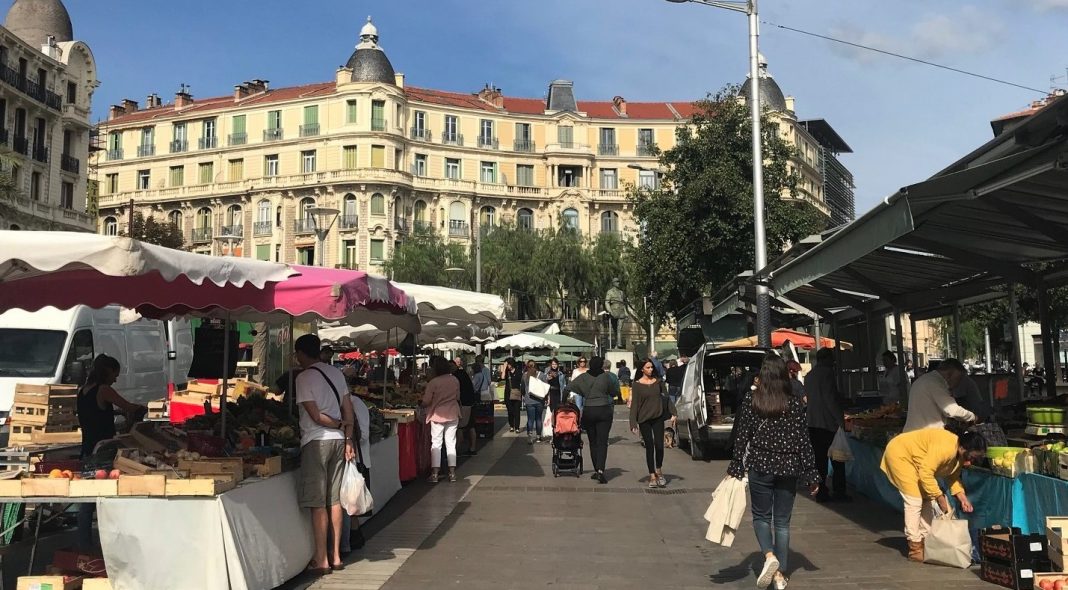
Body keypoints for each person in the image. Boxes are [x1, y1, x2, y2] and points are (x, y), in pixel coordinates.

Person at [728, 354, 820, 590]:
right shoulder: (794, 402)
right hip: (789, 467)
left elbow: (742, 434)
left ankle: (769, 556)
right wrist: (811, 473)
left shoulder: (752, 399)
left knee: (760, 516)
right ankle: (780, 575)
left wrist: (737, 463)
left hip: (761, 464)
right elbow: (803, 440)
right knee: (782, 522)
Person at [294, 334, 355, 575]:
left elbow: (315, 416)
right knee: (335, 499)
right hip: (339, 442)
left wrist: (339, 426)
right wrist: (347, 436)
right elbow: (348, 409)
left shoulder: (304, 377)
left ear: (300, 353)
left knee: (318, 503)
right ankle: (337, 555)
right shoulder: (336, 373)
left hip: (316, 441)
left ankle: (321, 559)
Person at [880, 429, 985, 562]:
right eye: (970, 457)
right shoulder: (946, 448)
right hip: (900, 455)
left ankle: (925, 540)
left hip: (918, 463)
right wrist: (939, 496)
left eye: (975, 460)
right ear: (963, 447)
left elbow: (953, 478)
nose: (970, 462)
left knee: (927, 499)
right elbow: (926, 473)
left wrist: (962, 498)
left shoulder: (959, 455)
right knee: (914, 500)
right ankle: (915, 547)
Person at [76, 354, 146, 552]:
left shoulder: (82, 391)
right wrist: (142, 409)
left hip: (88, 447)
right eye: (115, 374)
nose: (116, 378)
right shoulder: (104, 390)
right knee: (109, 496)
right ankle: (110, 545)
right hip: (104, 449)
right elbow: (128, 406)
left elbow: (95, 415)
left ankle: (84, 544)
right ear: (106, 371)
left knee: (87, 499)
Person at [804, 348, 848, 502]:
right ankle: (839, 491)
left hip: (813, 422)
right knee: (837, 458)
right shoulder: (827, 374)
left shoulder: (809, 376)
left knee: (819, 459)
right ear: (827, 359)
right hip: (827, 423)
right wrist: (840, 420)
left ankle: (821, 490)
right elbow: (830, 399)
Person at [567, 356, 618, 484]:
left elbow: (568, 387)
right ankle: (601, 470)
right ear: (601, 365)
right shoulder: (606, 377)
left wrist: (564, 403)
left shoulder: (584, 376)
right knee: (602, 441)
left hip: (589, 411)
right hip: (604, 410)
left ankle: (596, 469)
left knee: (593, 441)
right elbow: (614, 392)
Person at [629, 359, 673, 488]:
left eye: (652, 367)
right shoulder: (636, 385)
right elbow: (635, 404)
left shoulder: (658, 382)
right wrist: (633, 423)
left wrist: (673, 412)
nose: (651, 369)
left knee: (659, 445)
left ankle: (659, 470)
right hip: (644, 419)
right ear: (642, 369)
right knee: (649, 446)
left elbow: (666, 398)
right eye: (648, 367)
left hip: (658, 417)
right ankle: (652, 475)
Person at [903, 358, 976, 433]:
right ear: (950, 374)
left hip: (915, 433)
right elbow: (952, 410)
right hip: (926, 435)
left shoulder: (924, 379)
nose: (958, 383)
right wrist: (972, 416)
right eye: (958, 378)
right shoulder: (935, 383)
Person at [340, 390, 371, 555]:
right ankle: (354, 537)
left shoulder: (355, 404)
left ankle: (353, 538)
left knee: (352, 502)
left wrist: (348, 440)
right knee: (350, 503)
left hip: (356, 460)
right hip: (351, 458)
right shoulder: (347, 403)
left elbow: (364, 435)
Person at [420, 357, 461, 483]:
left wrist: (421, 403)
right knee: (451, 443)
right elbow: (458, 396)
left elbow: (426, 401)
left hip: (437, 414)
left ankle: (435, 474)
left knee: (436, 444)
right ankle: (452, 473)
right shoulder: (454, 379)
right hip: (453, 413)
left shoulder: (433, 382)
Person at [452, 357, 478, 456]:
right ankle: (472, 448)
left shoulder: (456, 376)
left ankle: (456, 449)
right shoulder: (463, 374)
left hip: (464, 404)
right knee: (471, 426)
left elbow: (458, 393)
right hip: (470, 402)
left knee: (460, 427)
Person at [467, 355, 492, 454]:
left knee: (478, 414)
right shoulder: (485, 371)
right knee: (484, 413)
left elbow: (473, 386)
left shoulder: (478, 374)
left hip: (481, 393)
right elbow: (489, 381)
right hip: (484, 392)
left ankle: (480, 430)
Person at [523, 360, 546, 444]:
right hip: (540, 400)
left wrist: (524, 395)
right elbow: (545, 386)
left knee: (530, 419)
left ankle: (530, 436)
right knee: (539, 419)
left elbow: (522, 388)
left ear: (528, 366)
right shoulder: (541, 375)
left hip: (529, 400)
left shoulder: (525, 375)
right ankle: (539, 436)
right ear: (535, 366)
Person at [503, 358, 523, 433]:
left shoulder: (518, 372)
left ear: (511, 364)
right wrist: (504, 368)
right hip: (508, 394)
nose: (507, 365)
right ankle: (511, 425)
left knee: (517, 411)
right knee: (510, 411)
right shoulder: (507, 372)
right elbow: (502, 377)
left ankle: (517, 427)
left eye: (508, 364)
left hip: (517, 393)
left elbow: (521, 381)